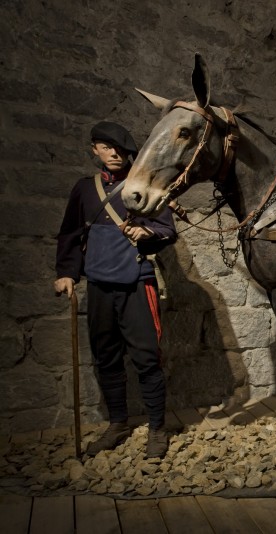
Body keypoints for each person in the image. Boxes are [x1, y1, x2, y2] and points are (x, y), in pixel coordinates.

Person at [54, 121, 177, 458]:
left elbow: (168, 230)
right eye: (106, 147)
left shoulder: (144, 187)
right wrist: (67, 273)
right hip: (99, 285)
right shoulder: (84, 189)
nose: (113, 153)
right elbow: (71, 234)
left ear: (130, 152)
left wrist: (147, 233)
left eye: (120, 148)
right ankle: (118, 423)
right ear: (95, 149)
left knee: (147, 358)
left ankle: (156, 428)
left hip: (137, 282)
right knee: (106, 357)